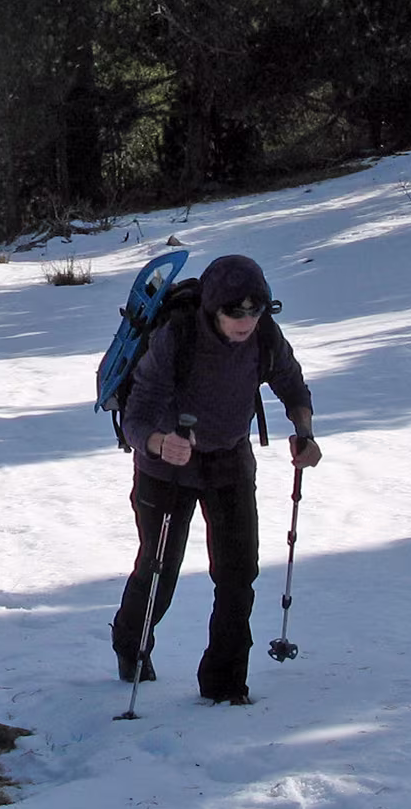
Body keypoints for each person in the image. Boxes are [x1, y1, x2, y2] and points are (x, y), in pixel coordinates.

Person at [111, 253, 322, 705]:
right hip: (166, 466)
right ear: (212, 308)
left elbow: (292, 383)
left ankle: (226, 685)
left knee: (237, 573)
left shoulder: (264, 336)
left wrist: (304, 431)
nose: (245, 320)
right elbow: (136, 416)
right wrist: (159, 443)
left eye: (255, 309)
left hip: (230, 459)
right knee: (159, 568)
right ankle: (130, 644)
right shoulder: (177, 336)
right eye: (234, 311)